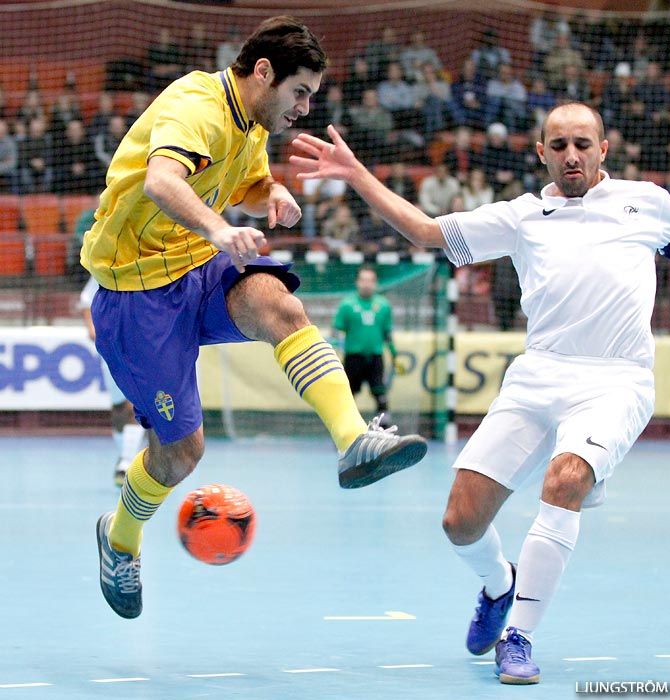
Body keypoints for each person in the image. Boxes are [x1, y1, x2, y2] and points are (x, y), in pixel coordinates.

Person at [289, 102, 670, 685]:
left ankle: (520, 636)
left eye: (583, 143)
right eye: (558, 145)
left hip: (616, 379)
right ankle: (498, 584)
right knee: (460, 521)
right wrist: (358, 176)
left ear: (604, 149)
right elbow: (429, 232)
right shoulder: (522, 216)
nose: (572, 155)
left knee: (566, 481)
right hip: (538, 376)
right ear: (541, 153)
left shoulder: (650, 203)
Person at [81, 16, 427, 621]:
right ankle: (120, 538)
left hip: (195, 268)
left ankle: (353, 443)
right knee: (181, 454)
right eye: (300, 93)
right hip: (136, 296)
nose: (303, 108)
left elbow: (239, 177)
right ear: (263, 73)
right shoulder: (196, 105)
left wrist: (267, 191)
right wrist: (218, 227)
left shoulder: (249, 123)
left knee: (280, 306)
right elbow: (164, 180)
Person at [79, 276, 148, 487]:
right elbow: (85, 300)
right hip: (111, 347)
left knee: (133, 405)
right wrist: (91, 327)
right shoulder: (106, 263)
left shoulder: (150, 267)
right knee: (119, 409)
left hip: (140, 345)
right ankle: (125, 454)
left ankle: (127, 462)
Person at [333, 265, 404, 428]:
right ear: (357, 282)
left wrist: (394, 355)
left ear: (375, 283)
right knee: (347, 397)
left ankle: (385, 433)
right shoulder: (347, 305)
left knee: (380, 395)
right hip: (353, 358)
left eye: (370, 280)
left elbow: (387, 333)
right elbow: (336, 332)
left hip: (375, 358)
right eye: (363, 280)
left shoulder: (383, 306)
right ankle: (345, 431)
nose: (366, 284)